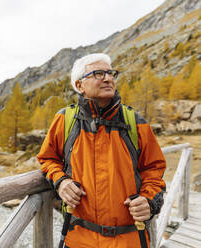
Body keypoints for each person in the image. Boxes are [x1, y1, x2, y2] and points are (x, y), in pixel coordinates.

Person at [37, 53, 166, 248]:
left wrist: (148, 201)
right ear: (79, 85)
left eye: (110, 73)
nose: (107, 78)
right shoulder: (65, 119)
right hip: (78, 239)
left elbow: (154, 169)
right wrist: (61, 181)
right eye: (98, 73)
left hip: (130, 240)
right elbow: (47, 159)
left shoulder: (135, 122)